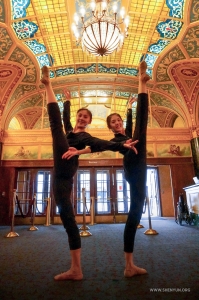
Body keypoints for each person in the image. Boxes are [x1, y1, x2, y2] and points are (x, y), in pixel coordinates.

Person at [40, 66, 138, 281]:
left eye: (86, 117)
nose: (83, 118)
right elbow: (64, 120)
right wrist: (66, 102)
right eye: (80, 115)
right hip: (57, 174)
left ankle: (76, 269)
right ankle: (75, 269)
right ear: (77, 117)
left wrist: (123, 146)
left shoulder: (84, 138)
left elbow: (101, 144)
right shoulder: (69, 132)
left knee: (68, 220)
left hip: (64, 177)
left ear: (89, 121)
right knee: (58, 127)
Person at [106, 61, 150, 277]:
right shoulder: (117, 140)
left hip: (139, 168)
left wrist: (129, 110)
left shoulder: (127, 134)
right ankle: (141, 81)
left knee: (135, 215)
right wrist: (126, 143)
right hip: (134, 170)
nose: (117, 123)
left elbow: (131, 129)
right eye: (113, 122)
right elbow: (121, 142)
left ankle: (129, 265)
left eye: (118, 120)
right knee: (143, 125)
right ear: (110, 127)